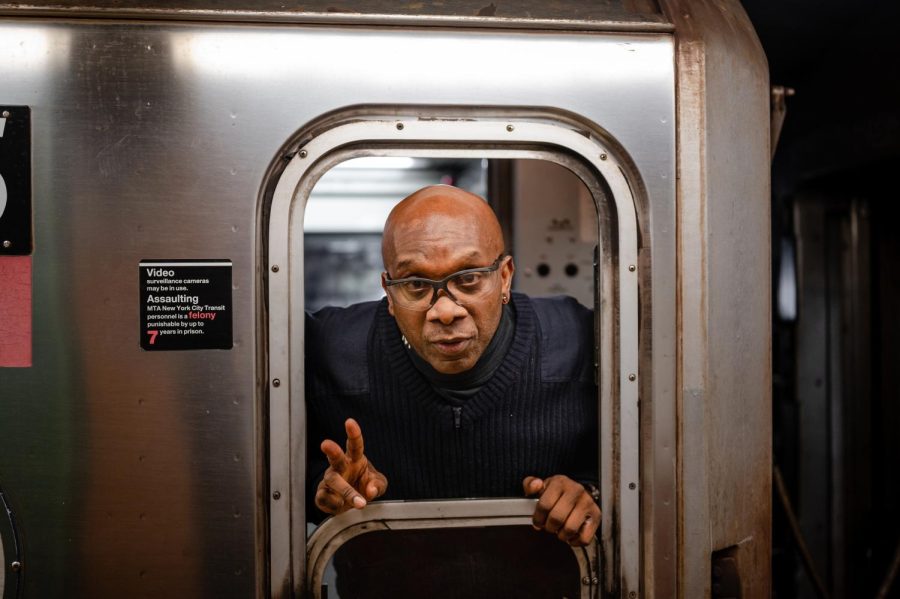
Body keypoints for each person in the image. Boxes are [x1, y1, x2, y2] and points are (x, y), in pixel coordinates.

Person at [305, 184, 600, 548]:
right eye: (415, 283)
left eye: (469, 278)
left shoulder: (581, 341)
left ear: (505, 276)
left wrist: (587, 493)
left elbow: (641, 477)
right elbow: (274, 485)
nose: (445, 311)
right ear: (388, 291)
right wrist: (329, 488)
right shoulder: (328, 350)